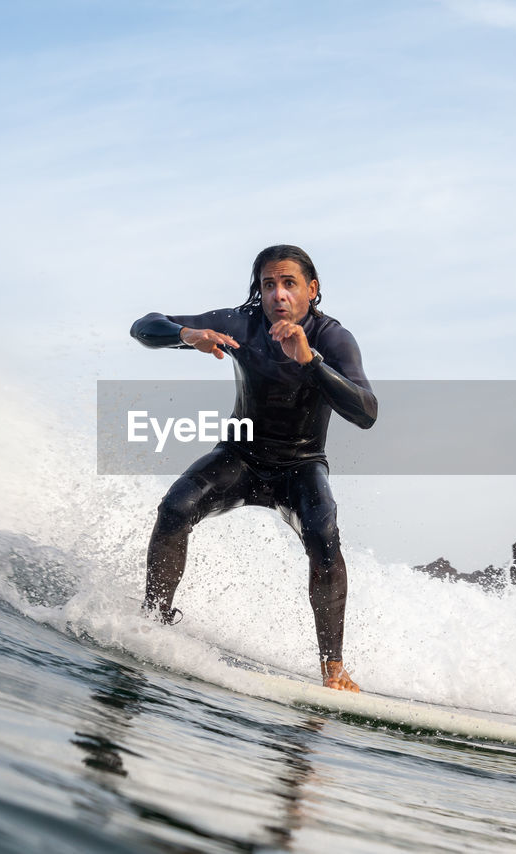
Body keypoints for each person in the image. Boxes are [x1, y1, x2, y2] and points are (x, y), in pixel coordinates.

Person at [130, 244, 377, 692]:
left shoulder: (332, 338)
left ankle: (334, 668)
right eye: (269, 284)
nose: (278, 295)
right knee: (175, 508)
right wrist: (186, 336)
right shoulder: (242, 324)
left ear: (312, 290)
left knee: (323, 536)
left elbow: (366, 412)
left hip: (300, 464)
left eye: (289, 284)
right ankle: (151, 625)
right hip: (239, 457)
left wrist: (311, 362)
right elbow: (145, 327)